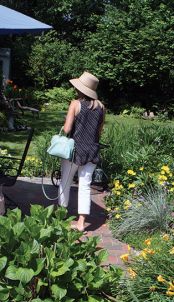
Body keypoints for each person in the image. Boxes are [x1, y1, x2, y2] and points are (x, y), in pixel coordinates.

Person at [58, 71, 105, 232]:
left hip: (74, 151)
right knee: (85, 186)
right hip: (92, 151)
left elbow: (67, 129)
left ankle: (61, 216)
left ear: (80, 89)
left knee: (65, 182)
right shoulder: (101, 107)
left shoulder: (75, 104)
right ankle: (81, 223)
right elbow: (99, 132)